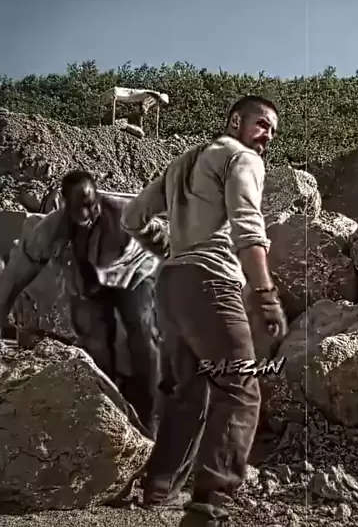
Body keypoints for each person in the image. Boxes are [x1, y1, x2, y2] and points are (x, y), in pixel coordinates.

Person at [121, 95, 288, 526]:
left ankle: (159, 488)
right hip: (211, 282)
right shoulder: (242, 158)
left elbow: (133, 217)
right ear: (235, 121)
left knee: (189, 392)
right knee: (241, 389)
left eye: (272, 129)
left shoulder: (181, 164)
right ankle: (209, 506)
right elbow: (248, 226)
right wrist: (265, 293)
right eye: (261, 123)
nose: (267, 135)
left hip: (172, 286)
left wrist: (169, 246)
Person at [0, 170, 167, 435]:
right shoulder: (53, 227)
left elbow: (166, 242)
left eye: (92, 203)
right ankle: (106, 411)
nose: (89, 212)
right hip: (90, 284)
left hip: (134, 275)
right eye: (80, 207)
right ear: (66, 204)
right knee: (94, 342)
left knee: (143, 337)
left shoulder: (125, 213)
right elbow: (22, 268)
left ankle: (150, 416)